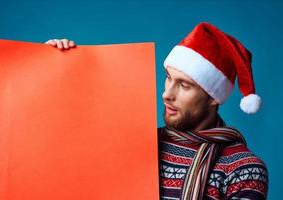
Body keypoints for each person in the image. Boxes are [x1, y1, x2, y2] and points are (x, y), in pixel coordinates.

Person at [46, 22, 268, 200]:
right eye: (168, 78)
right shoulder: (138, 147)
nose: (167, 94)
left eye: (184, 85)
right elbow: (64, 158)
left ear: (213, 97)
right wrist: (53, 66)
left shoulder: (243, 169)